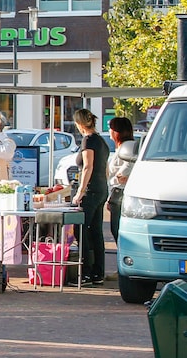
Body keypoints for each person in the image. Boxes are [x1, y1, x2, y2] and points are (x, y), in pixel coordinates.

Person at [71, 108, 109, 287]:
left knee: (82, 230)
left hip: (92, 190)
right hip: (101, 189)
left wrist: (80, 191)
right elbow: (105, 167)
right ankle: (98, 272)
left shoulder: (88, 141)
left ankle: (85, 272)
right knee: (95, 231)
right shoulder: (101, 140)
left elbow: (88, 166)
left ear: (80, 124)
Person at [107, 116, 136, 241]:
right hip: (117, 192)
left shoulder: (128, 146)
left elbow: (129, 164)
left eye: (111, 128)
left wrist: (121, 174)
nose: (109, 131)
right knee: (117, 230)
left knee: (118, 230)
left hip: (120, 192)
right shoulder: (123, 146)